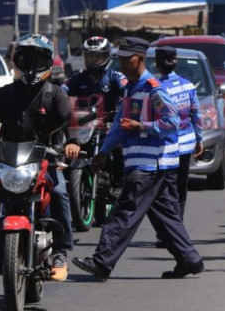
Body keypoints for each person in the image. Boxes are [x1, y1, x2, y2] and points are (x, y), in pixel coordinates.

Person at [72, 37, 204, 280]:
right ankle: (190, 260)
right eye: (119, 59)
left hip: (150, 163)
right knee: (165, 216)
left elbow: (172, 123)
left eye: (125, 59)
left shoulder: (154, 89)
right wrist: (103, 152)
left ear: (139, 59)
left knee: (125, 210)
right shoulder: (130, 88)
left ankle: (102, 262)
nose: (121, 64)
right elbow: (120, 127)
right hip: (147, 163)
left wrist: (140, 125)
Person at [0, 33, 80, 282]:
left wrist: (73, 142)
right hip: (8, 159)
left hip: (45, 159)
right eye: (25, 59)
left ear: (46, 62)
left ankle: (60, 252)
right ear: (16, 61)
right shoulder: (5, 94)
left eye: (36, 60)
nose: (30, 66)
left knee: (59, 193)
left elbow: (71, 121)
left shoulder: (55, 94)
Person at [61, 36, 128, 192]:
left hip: (109, 125)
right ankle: (66, 182)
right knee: (66, 148)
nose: (93, 60)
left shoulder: (115, 77)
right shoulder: (78, 79)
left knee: (118, 147)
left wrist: (123, 105)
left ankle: (119, 184)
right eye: (90, 56)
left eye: (97, 57)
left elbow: (127, 90)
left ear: (106, 57)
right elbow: (62, 92)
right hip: (84, 126)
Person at [153, 46, 203, 247]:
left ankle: (169, 234)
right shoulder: (187, 85)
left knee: (166, 191)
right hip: (187, 144)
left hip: (167, 147)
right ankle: (177, 230)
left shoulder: (156, 87)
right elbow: (196, 115)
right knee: (181, 190)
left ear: (157, 64)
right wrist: (199, 139)